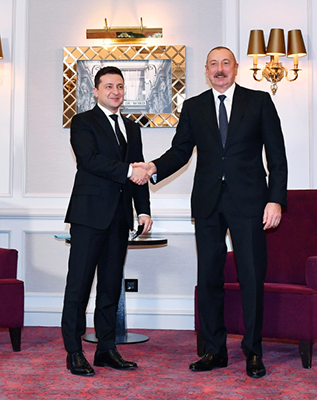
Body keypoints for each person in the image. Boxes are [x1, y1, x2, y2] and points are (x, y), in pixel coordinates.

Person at [136, 46, 287, 378]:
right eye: (214, 64)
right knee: (208, 278)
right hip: (207, 203)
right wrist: (153, 167)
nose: (220, 69)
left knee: (251, 277)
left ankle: (253, 351)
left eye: (225, 63)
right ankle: (214, 350)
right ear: (206, 71)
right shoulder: (194, 107)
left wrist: (275, 200)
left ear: (236, 68)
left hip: (250, 203)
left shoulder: (259, 101)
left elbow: (277, 156)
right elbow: (180, 151)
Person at [62, 66, 152, 377]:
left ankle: (106, 349)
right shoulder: (83, 122)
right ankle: (74, 352)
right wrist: (129, 171)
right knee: (79, 286)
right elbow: (89, 160)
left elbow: (139, 173)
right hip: (88, 216)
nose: (116, 91)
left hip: (119, 218)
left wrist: (143, 210)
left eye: (120, 86)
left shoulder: (132, 128)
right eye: (109, 86)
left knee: (111, 287)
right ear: (96, 91)